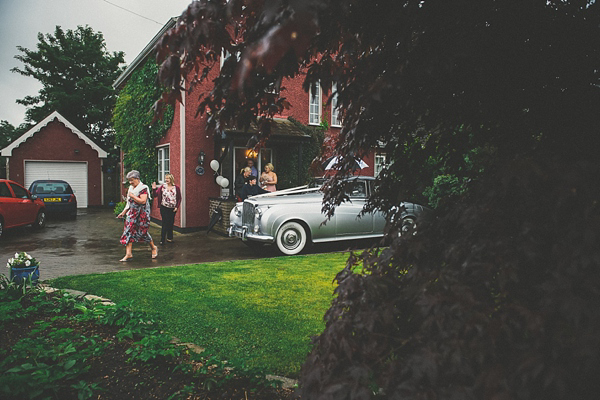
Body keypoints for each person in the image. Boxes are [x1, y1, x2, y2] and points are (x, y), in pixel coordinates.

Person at [117, 170, 158, 261]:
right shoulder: (131, 189)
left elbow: (143, 201)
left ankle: (153, 248)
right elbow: (129, 203)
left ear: (137, 179)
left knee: (142, 233)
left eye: (132, 180)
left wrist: (133, 197)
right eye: (129, 180)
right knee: (128, 231)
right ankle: (128, 254)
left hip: (142, 214)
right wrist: (124, 212)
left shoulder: (143, 188)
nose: (130, 182)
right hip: (132, 214)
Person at [152, 173, 182, 245]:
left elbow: (179, 198)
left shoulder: (176, 188)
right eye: (166, 178)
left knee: (170, 223)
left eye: (168, 178)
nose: (166, 180)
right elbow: (155, 195)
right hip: (164, 207)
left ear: (171, 179)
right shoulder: (163, 187)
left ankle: (169, 238)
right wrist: (154, 189)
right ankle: (162, 240)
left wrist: (176, 207)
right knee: (165, 223)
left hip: (172, 209)